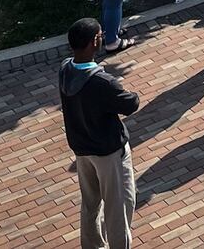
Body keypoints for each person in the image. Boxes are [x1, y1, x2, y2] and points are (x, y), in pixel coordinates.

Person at [59, 18, 139, 249]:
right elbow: (130, 103)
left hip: (82, 149)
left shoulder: (65, 69)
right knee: (119, 207)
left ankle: (92, 246)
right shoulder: (103, 83)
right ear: (94, 42)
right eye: (100, 35)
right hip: (108, 153)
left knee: (90, 203)